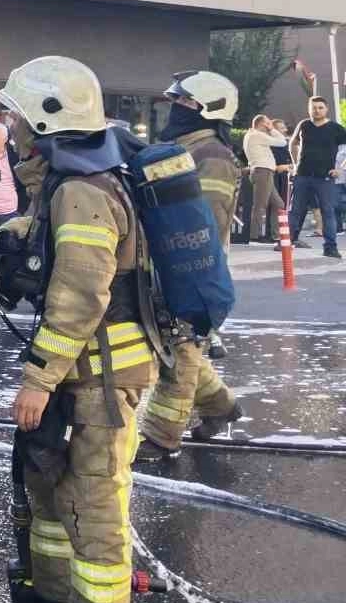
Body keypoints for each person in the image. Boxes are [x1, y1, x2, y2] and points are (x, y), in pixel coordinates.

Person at [0, 56, 153, 603]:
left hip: (100, 373)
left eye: (15, 116)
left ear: (44, 121)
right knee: (55, 484)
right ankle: (56, 591)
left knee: (93, 499)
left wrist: (37, 380)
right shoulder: (70, 184)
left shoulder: (84, 192)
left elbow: (80, 297)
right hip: (83, 368)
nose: (9, 127)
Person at [135, 70, 244, 457]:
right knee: (182, 346)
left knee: (180, 346)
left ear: (207, 109)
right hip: (165, 266)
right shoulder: (182, 148)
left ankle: (162, 438)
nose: (176, 109)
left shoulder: (211, 156)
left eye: (184, 103)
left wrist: (180, 274)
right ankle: (222, 408)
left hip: (188, 270)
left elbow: (204, 228)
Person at [287, 96, 346, 260]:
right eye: (314, 107)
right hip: (303, 175)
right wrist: (295, 163)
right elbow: (293, 143)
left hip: (325, 177)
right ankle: (288, 241)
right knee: (295, 210)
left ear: (326, 109)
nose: (317, 110)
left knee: (328, 212)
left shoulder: (335, 128)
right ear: (309, 109)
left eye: (320, 107)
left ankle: (330, 247)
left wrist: (340, 169)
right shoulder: (304, 125)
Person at [243, 115, 288, 244]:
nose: (270, 126)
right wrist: (273, 130)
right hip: (263, 171)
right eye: (268, 123)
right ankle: (254, 236)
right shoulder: (257, 135)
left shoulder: (252, 135)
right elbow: (282, 142)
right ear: (262, 124)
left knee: (279, 204)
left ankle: (276, 235)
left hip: (264, 172)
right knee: (259, 205)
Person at [0, 121, 25, 228]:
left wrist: (20, 211)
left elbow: (24, 184)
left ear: (5, 139)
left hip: (11, 213)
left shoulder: (16, 156)